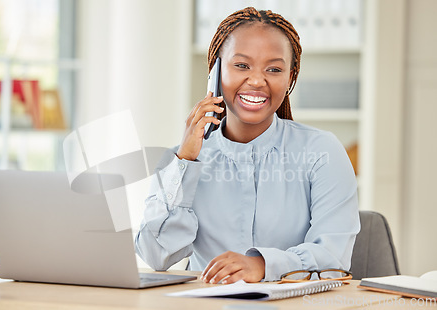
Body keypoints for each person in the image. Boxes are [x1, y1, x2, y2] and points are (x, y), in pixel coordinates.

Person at [135, 7, 360, 284]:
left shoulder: (322, 152)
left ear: (290, 78)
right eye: (241, 65)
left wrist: (263, 265)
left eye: (274, 69)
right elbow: (156, 256)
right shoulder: (182, 159)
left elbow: (334, 258)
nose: (256, 80)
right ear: (215, 72)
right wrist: (185, 163)